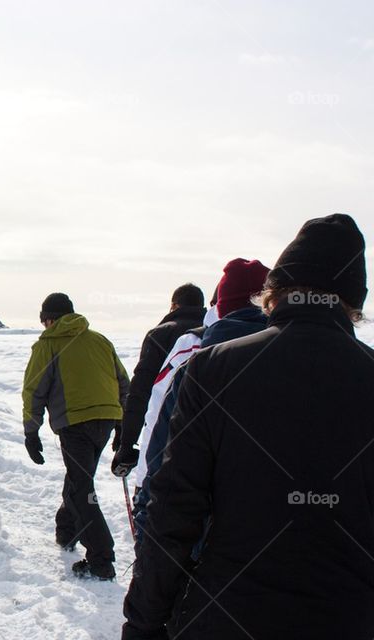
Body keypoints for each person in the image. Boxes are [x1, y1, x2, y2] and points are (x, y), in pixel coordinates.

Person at [122, 214, 374, 639]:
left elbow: (173, 514)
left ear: (273, 293)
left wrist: (143, 623)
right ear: (352, 304)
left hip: (225, 616)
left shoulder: (213, 368)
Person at [123, 258, 271, 547]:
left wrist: (144, 494)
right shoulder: (292, 354)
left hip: (192, 513)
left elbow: (152, 410)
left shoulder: (192, 347)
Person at [21, 293, 130, 580]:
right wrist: (123, 425)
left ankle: (101, 558)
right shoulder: (99, 340)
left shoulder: (47, 345)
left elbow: (34, 390)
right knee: (79, 478)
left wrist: (31, 432)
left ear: (50, 319)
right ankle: (66, 530)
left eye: (44, 321)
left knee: (82, 488)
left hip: (75, 424)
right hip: (106, 420)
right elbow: (123, 382)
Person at [112, 284, 206, 475]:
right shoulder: (213, 331)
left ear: (173, 305)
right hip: (205, 434)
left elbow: (140, 391)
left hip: (163, 432)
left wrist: (127, 442)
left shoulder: (161, 333)